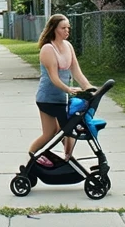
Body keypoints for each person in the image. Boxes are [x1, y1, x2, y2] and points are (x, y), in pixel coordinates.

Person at [28, 13, 94, 166]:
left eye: (68, 28)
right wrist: (69, 89)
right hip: (47, 98)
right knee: (53, 132)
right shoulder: (48, 49)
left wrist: (88, 87)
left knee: (63, 130)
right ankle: (32, 156)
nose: (67, 31)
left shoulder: (68, 47)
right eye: (63, 28)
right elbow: (53, 77)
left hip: (61, 98)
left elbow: (76, 71)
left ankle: (67, 159)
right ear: (54, 29)